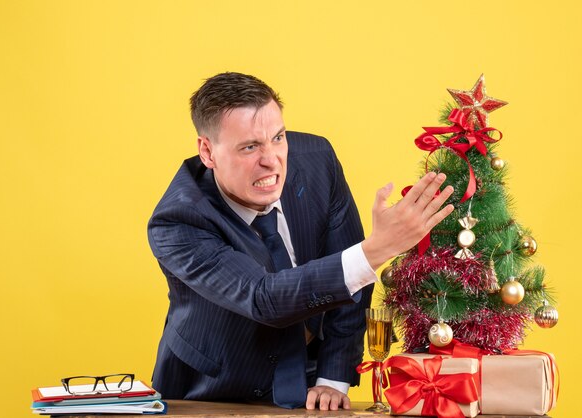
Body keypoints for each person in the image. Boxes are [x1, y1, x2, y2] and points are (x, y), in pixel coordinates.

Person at [147, 72, 454, 411]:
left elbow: (351, 278)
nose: (271, 160)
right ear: (207, 151)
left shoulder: (317, 160)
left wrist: (332, 379)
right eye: (249, 146)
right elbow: (263, 298)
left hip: (309, 378)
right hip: (210, 388)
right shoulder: (178, 222)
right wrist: (379, 248)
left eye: (277, 137)